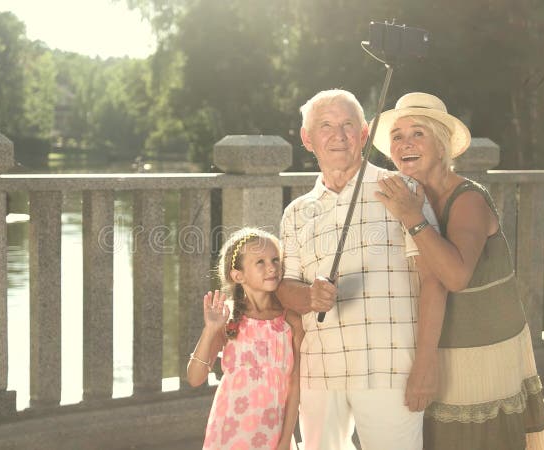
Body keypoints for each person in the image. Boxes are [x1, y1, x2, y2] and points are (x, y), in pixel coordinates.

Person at [373, 92, 544, 449]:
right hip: (444, 343)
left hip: (483, 350)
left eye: (417, 133)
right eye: (397, 135)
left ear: (441, 146)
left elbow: (455, 277)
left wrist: (410, 217)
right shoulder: (412, 196)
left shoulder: (467, 198)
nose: (404, 143)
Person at [277, 89, 446, 450]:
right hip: (320, 372)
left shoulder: (402, 189)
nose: (338, 136)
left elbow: (434, 280)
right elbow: (284, 287)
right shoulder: (295, 213)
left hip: (390, 369)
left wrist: (426, 363)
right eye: (325, 126)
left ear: (365, 134)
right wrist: (308, 296)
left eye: (347, 125)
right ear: (308, 139)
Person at [188, 227, 304, 450]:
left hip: (273, 435)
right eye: (260, 262)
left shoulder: (290, 321)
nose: (271, 267)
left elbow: (295, 383)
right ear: (238, 275)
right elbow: (195, 378)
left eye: (275, 259)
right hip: (228, 432)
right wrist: (210, 330)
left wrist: (285, 439)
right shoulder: (228, 318)